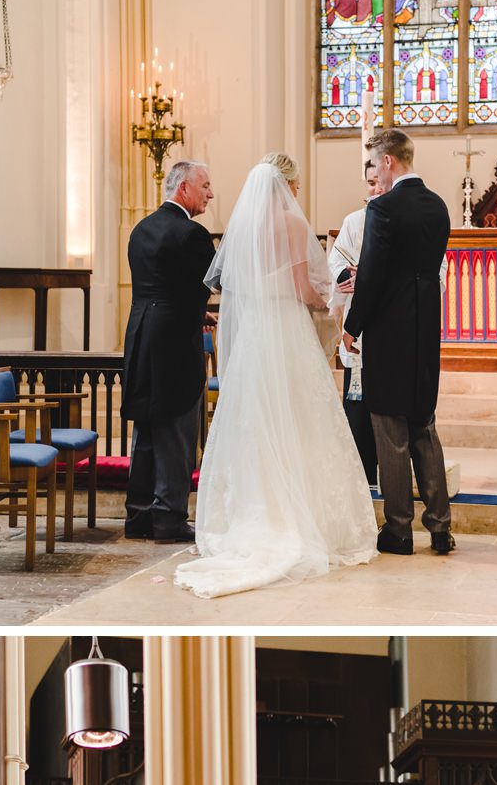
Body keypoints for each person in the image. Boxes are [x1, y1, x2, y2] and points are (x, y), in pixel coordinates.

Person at [173, 153, 377, 599]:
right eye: (296, 186)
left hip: (253, 338)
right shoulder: (290, 224)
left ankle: (257, 513)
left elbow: (239, 285)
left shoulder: (244, 229)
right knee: (300, 419)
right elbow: (303, 289)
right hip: (286, 331)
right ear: (287, 186)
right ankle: (299, 517)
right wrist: (329, 296)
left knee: (258, 422)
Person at [344, 127, 454, 557]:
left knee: (390, 431)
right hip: (426, 329)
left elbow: (370, 277)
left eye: (374, 163)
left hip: (389, 332)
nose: (373, 171)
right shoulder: (438, 206)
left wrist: (353, 325)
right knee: (424, 425)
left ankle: (399, 529)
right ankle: (441, 528)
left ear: (388, 161)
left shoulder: (384, 209)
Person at [122, 161, 216, 543]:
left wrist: (195, 312)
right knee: (178, 429)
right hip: (174, 342)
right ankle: (170, 518)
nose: (210, 193)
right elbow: (204, 284)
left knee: (146, 426)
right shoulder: (192, 234)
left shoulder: (140, 229)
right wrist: (197, 311)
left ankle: (139, 515)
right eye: (205, 186)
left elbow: (161, 284)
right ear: (183, 189)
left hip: (142, 333)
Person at [329, 155, 384, 486]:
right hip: (359, 329)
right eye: (369, 182)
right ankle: (362, 476)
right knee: (357, 404)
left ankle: (389, 474)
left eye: (379, 181)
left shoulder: (404, 220)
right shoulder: (354, 221)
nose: (374, 188)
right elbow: (336, 256)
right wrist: (342, 275)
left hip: (392, 327)